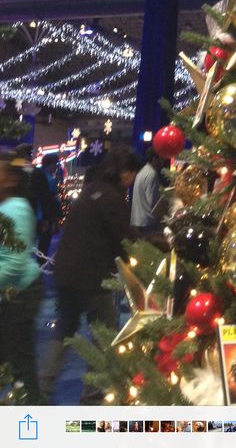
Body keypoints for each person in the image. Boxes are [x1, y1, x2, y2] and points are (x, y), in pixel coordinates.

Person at [39, 146, 141, 403]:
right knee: (104, 334)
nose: (131, 181)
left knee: (65, 329)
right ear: (125, 173)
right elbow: (124, 239)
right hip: (92, 278)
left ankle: (42, 388)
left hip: (66, 272)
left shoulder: (91, 190)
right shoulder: (112, 198)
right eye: (132, 175)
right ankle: (93, 394)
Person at [0, 152, 43, 399]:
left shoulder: (16, 209)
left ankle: (31, 424)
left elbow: (14, 263)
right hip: (9, 297)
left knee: (21, 365)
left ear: (10, 180)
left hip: (21, 297)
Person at [29, 152, 62, 259]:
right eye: (55, 164)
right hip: (42, 217)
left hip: (42, 216)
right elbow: (44, 201)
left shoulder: (46, 177)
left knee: (39, 243)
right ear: (49, 164)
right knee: (41, 244)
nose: (57, 167)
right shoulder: (44, 179)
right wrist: (46, 219)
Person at [130, 148, 164, 233]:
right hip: (148, 222)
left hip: (137, 220)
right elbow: (153, 202)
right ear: (154, 159)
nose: (163, 161)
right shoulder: (152, 174)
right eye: (161, 158)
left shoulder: (142, 172)